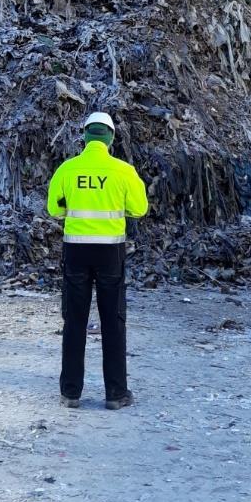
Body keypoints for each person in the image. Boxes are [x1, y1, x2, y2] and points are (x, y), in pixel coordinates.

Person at [46, 112, 148, 409]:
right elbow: (139, 208)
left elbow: (54, 208)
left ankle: (70, 393)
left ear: (85, 137)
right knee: (113, 321)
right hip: (110, 254)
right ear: (111, 139)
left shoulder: (67, 169)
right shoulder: (123, 170)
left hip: (76, 251)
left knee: (74, 321)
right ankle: (116, 394)